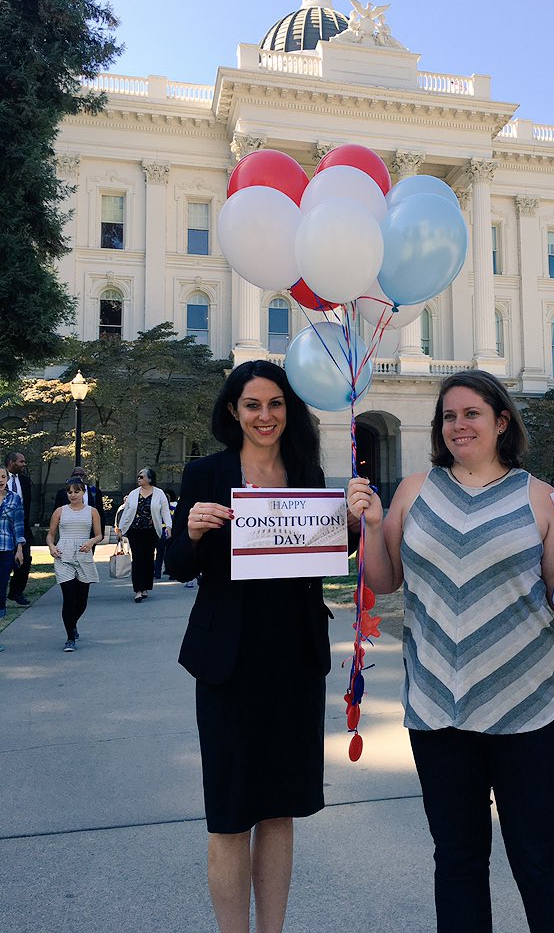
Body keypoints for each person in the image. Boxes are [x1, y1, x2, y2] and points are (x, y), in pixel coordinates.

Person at [347, 370, 554, 933]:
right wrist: (373, 526)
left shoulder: (540, 497)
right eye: (448, 416)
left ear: (502, 421)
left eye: (471, 413)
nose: (458, 425)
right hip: (437, 708)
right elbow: (384, 582)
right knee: (457, 862)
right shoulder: (413, 491)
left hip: (529, 709)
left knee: (541, 861)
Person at [165, 359, 347, 933]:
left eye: (275, 404)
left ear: (289, 409)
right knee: (229, 815)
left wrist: (353, 526)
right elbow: (177, 565)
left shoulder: (308, 475)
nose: (265, 416)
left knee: (279, 810)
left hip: (294, 661)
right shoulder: (207, 474)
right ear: (233, 410)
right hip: (229, 663)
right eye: (252, 405)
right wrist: (191, 530)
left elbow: (323, 557)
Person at [46, 477, 102, 651]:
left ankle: (73, 623)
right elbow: (50, 535)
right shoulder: (60, 511)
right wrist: (51, 547)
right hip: (64, 556)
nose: (73, 495)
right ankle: (70, 637)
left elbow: (99, 535)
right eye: (69, 492)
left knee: (82, 600)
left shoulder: (92, 511)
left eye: (76, 491)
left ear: (83, 492)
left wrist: (91, 542)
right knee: (69, 598)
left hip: (83, 555)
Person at [115, 468, 172, 603]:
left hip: (151, 531)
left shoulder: (159, 494)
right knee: (138, 559)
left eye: (141, 476)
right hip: (135, 530)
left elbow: (165, 511)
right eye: (138, 476)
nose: (139, 479)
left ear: (149, 479)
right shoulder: (134, 494)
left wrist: (169, 527)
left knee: (148, 558)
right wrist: (120, 528)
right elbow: (126, 511)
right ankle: (138, 590)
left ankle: (145, 587)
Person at [5, 450, 32, 606]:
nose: (24, 464)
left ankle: (16, 592)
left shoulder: (24, 481)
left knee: (25, 560)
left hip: (22, 527)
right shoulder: (2, 479)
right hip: (4, 528)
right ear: (11, 462)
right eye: (21, 461)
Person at [0, 464, 26, 623]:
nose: (0, 480)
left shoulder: (14, 498)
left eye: (3, 477)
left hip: (6, 548)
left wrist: (19, 549)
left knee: (2, 585)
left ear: (7, 479)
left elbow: (18, 525)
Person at [53, 465, 105, 533]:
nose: (79, 477)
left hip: (90, 530)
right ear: (72, 477)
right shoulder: (62, 493)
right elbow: (56, 512)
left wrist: (101, 533)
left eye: (81, 475)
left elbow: (100, 512)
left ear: (85, 477)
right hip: (68, 529)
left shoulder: (95, 492)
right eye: (76, 475)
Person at [154, 488, 176, 580]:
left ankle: (157, 573)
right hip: (170, 533)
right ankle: (172, 573)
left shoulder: (158, 510)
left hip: (160, 533)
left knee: (159, 554)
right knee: (170, 554)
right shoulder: (174, 509)